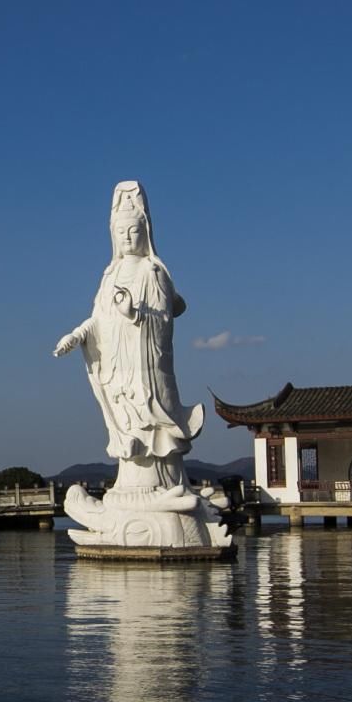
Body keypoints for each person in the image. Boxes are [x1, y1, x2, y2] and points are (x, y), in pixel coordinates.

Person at [52, 180, 201, 491]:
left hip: (147, 364)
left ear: (144, 232)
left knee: (152, 419)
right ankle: (134, 483)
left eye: (133, 231)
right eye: (121, 232)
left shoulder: (152, 271)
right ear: (113, 236)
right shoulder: (110, 274)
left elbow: (164, 318)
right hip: (119, 363)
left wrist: (134, 314)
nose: (128, 237)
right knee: (126, 418)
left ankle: (165, 484)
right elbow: (99, 319)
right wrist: (77, 334)